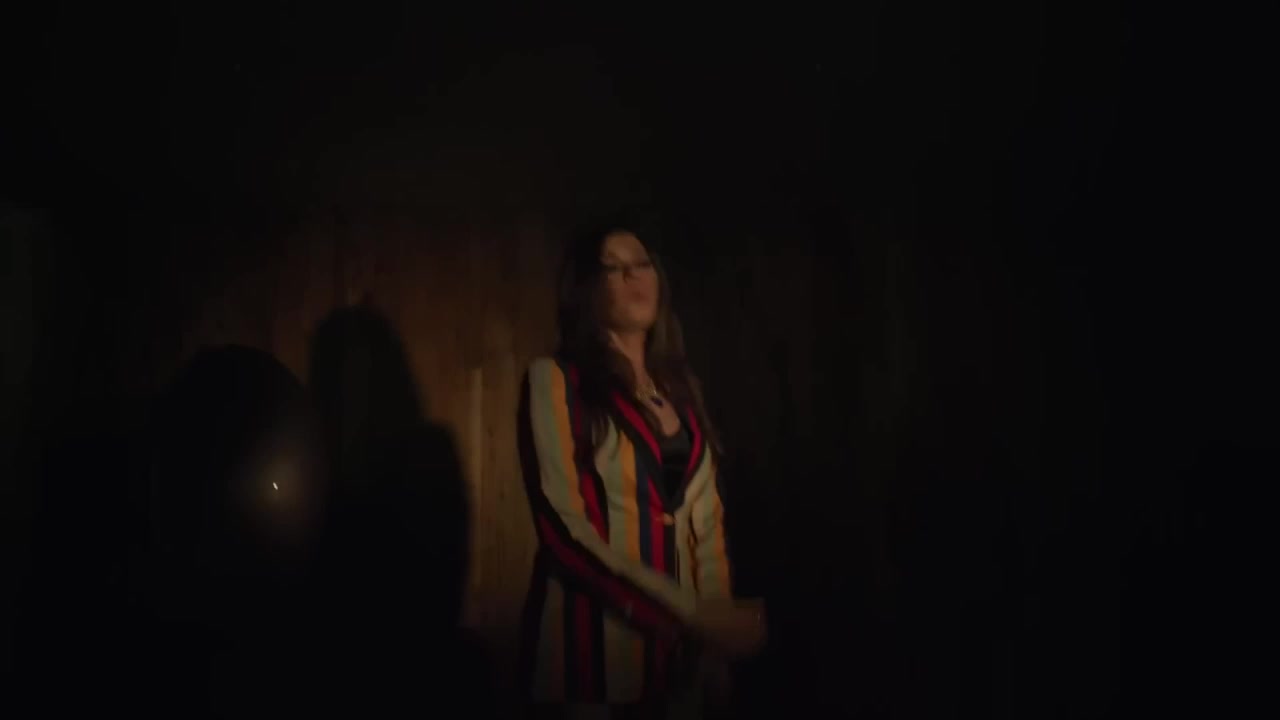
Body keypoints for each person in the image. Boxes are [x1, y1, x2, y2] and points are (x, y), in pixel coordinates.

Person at [519, 223, 765, 718]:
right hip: (589, 661)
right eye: (614, 267)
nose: (634, 276)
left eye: (642, 263)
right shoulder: (557, 382)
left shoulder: (681, 393)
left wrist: (714, 634)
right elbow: (564, 529)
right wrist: (691, 614)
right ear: (587, 289)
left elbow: (705, 528)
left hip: (678, 670)